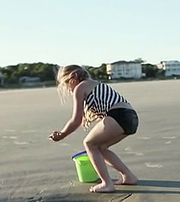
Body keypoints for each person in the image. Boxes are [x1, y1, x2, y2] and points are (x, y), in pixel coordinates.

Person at [49, 65, 139, 193]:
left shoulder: (80, 88)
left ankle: (106, 183)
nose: (68, 89)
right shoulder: (94, 84)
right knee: (101, 148)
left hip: (118, 115)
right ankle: (128, 176)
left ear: (72, 79)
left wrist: (62, 134)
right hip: (131, 117)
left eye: (66, 85)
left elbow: (76, 120)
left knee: (89, 144)